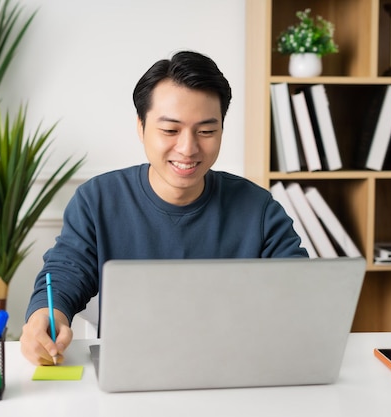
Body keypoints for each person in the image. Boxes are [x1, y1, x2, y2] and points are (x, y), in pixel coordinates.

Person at [20, 50, 308, 365]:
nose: (188, 148)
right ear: (141, 127)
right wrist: (47, 316)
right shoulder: (97, 199)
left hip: (235, 367)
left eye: (206, 131)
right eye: (170, 130)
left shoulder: (259, 208)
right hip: (132, 368)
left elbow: (299, 291)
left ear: (221, 130)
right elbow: (66, 272)